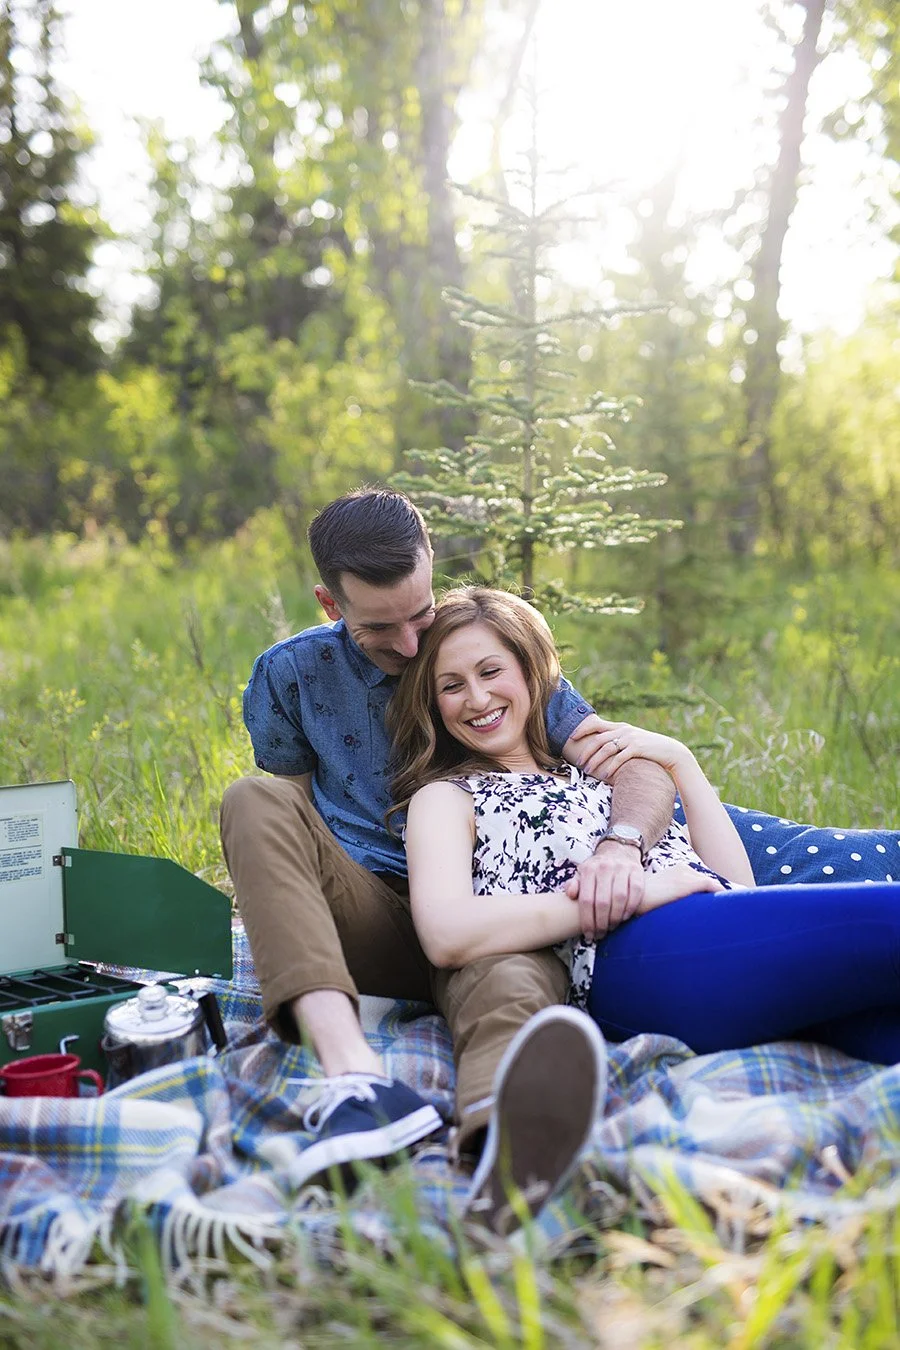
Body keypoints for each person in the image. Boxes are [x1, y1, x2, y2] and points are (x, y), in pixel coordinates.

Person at [220, 489, 676, 1219]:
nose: (410, 646)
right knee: (252, 797)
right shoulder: (292, 674)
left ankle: (504, 1153)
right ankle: (357, 1083)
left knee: (509, 984)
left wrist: (623, 847)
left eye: (420, 614)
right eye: (379, 627)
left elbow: (636, 765)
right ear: (330, 605)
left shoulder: (479, 649)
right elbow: (290, 819)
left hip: (490, 909)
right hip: (372, 912)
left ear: (433, 571)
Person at [391, 585, 900, 1078]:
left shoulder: (596, 773)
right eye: (452, 685)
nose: (477, 698)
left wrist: (682, 762)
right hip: (624, 961)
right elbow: (445, 934)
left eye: (491, 671)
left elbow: (735, 885)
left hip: (718, 939)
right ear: (434, 704)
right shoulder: (448, 796)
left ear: (529, 673)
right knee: (887, 915)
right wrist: (637, 893)